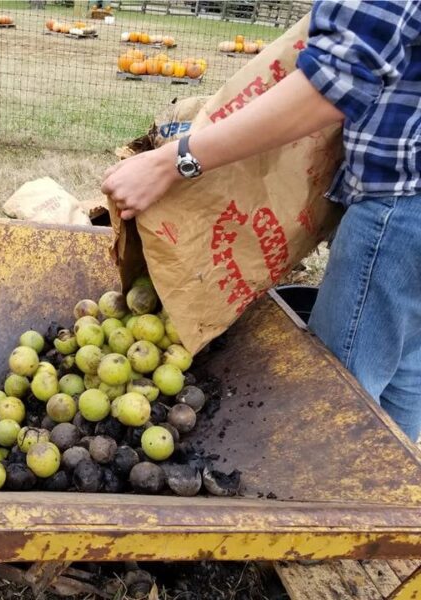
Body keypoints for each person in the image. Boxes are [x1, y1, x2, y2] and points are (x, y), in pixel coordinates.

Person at [101, 1, 421, 441]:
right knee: (404, 372)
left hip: (402, 206)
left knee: (330, 406)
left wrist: (172, 163)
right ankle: (388, 503)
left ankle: (329, 507)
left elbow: (333, 82)